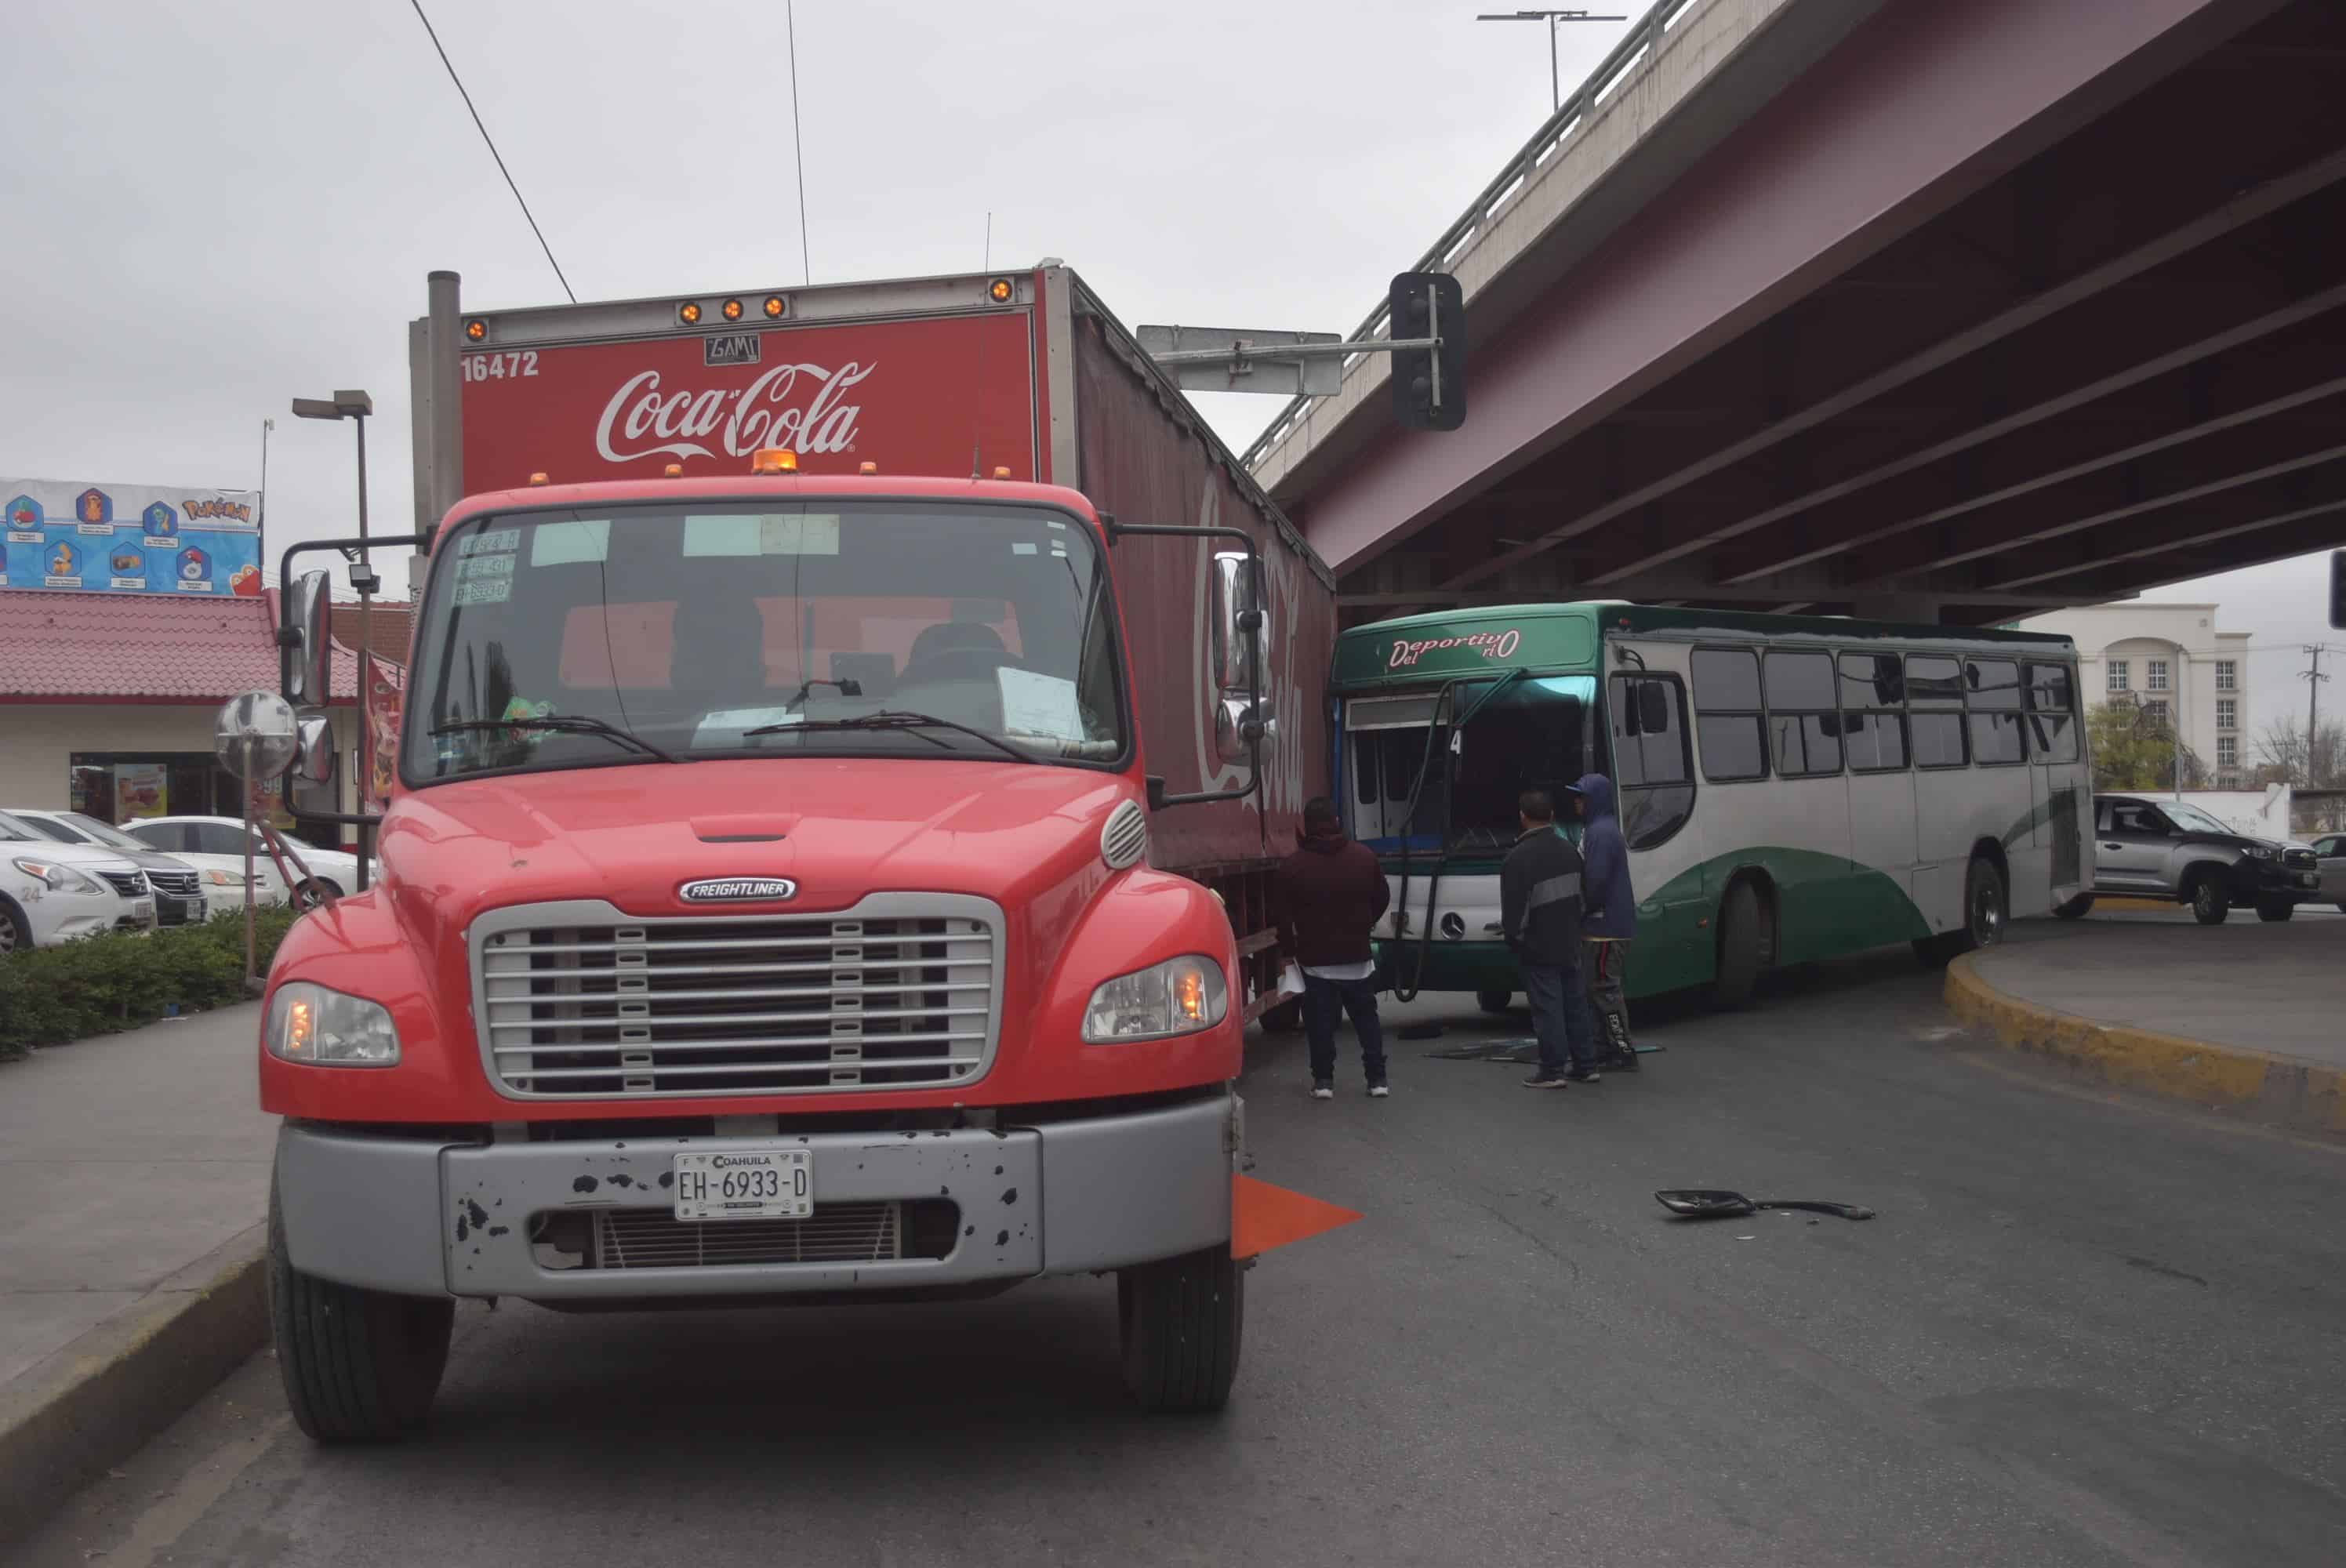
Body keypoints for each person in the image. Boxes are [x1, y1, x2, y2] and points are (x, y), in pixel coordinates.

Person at [1275, 797, 1393, 1100]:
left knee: (1320, 1024)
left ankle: (1324, 1081)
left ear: (1306, 827)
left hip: (1316, 961)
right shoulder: (1364, 858)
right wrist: (1364, 926)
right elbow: (1382, 897)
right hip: (1358, 957)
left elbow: (1283, 919)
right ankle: (1377, 1079)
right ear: (1337, 822)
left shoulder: (1292, 867)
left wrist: (1289, 952)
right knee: (1367, 1021)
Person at [1501, 789, 1601, 1088]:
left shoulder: (1516, 860)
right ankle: (1586, 1065)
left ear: (1522, 817)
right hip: (1570, 942)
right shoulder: (1570, 852)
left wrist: (1515, 942)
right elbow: (1585, 900)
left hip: (1538, 948)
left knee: (1548, 1010)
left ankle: (1552, 1071)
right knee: (1576, 1006)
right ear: (1553, 817)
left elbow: (1515, 916)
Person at [1574, 771, 1639, 1072]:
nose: (1576, 802)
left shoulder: (1599, 833)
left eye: (1581, 797)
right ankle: (1604, 1048)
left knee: (1605, 991)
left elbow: (1595, 884)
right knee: (1597, 991)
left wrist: (1580, 911)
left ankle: (1622, 1050)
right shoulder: (1601, 828)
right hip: (1605, 927)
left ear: (1593, 800)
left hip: (1604, 929)